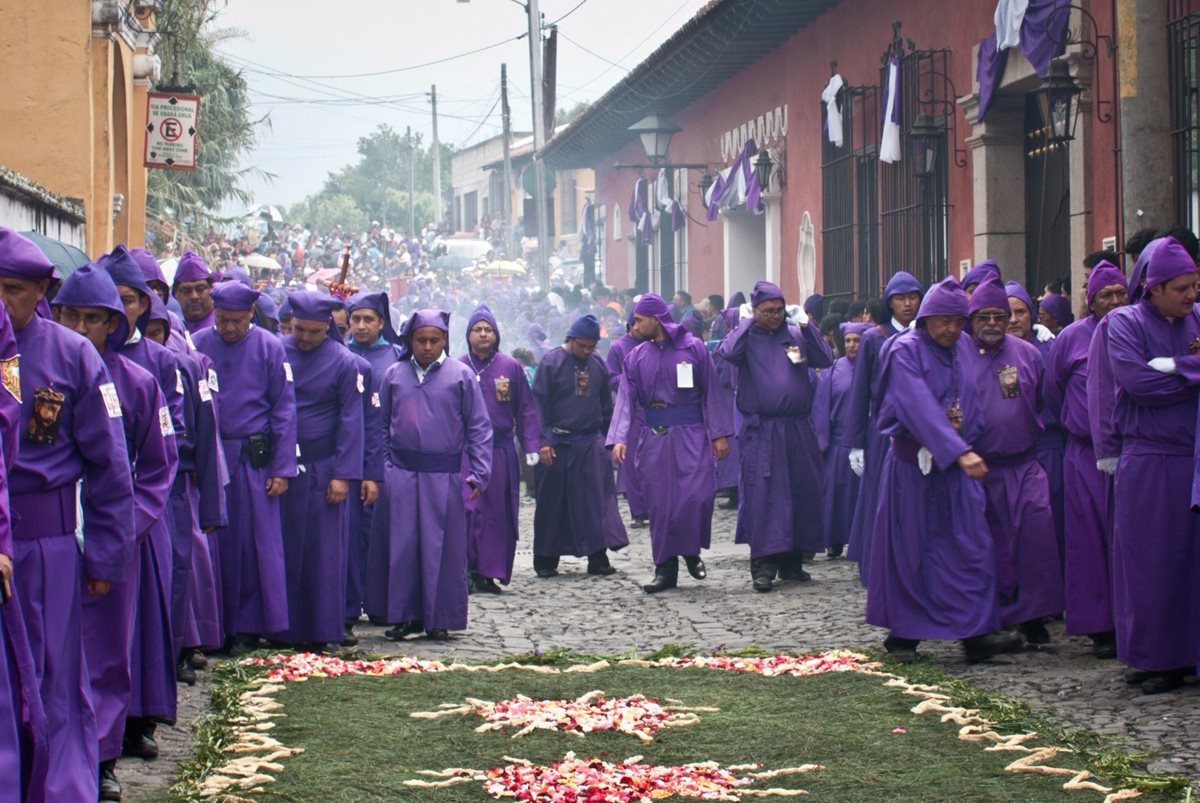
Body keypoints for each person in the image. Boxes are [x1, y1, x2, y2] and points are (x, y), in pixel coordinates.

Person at [0, 228, 135, 800]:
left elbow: (110, 466)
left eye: (11, 288)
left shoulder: (73, 355)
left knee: (54, 678)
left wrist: (104, 553)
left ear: (40, 292)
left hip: (47, 544)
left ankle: (61, 787)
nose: (2, 301)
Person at [52, 264, 177, 799]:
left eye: (95, 319)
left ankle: (102, 757)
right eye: (71, 316)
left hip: (113, 530)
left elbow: (157, 465)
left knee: (106, 650)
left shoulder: (138, 383)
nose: (82, 328)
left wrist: (129, 526)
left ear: (115, 324)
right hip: (52, 529)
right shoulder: (30, 367)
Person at [864, 277, 1022, 663]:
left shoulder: (964, 347)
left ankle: (976, 632)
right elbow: (914, 402)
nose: (951, 329)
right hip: (913, 467)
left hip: (956, 466)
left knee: (972, 546)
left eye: (957, 321)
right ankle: (904, 635)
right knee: (912, 549)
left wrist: (971, 439)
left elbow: (974, 396)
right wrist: (953, 449)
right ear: (925, 319)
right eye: (943, 321)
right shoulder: (903, 350)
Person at [1104, 237, 1200, 694]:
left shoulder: (1196, 318)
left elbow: (1160, 380)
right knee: (1151, 563)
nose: (1190, 296)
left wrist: (1176, 367)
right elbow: (1137, 383)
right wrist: (1193, 376)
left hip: (1193, 459)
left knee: (1191, 565)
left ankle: (1190, 652)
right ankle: (1156, 658)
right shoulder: (1123, 323)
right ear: (1154, 286)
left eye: (1195, 286)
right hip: (1149, 460)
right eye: (1181, 288)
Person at [366, 310, 491, 640]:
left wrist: (479, 472)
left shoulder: (460, 376)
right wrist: (380, 471)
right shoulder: (394, 374)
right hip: (401, 473)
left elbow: (478, 426)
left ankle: (440, 618)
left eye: (434, 340)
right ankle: (405, 615)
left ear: (445, 340)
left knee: (443, 547)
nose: (427, 346)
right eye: (420, 340)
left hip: (444, 475)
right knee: (403, 545)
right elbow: (381, 427)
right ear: (410, 340)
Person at [192, 282, 297, 653]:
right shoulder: (199, 343)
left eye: (236, 321)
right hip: (212, 454)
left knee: (256, 545)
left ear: (251, 315)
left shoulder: (270, 347)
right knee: (215, 544)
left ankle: (250, 626)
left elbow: (284, 408)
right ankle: (213, 626)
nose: (229, 328)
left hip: (254, 459)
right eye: (222, 320)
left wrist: (282, 468)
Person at [961, 274, 1063, 643]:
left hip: (1023, 463)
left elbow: (1040, 401)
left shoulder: (1029, 354)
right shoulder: (956, 354)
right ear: (971, 319)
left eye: (1000, 317)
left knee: (1036, 539)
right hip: (978, 468)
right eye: (984, 316)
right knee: (990, 545)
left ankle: (1033, 615)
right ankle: (994, 616)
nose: (992, 324)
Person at [608, 294, 731, 593]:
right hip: (654, 434)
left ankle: (690, 551)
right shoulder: (635, 357)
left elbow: (712, 391)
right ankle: (665, 568)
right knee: (660, 503)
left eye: (639, 320)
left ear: (656, 319)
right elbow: (625, 399)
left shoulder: (694, 349)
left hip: (690, 432)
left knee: (696, 495)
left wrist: (718, 433)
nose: (634, 327)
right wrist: (619, 438)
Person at [716, 281, 833, 591]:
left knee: (799, 492)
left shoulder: (794, 334)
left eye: (780, 310)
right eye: (768, 311)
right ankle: (763, 565)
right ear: (755, 311)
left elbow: (825, 358)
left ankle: (792, 563)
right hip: (763, 429)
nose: (776, 316)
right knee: (765, 496)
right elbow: (726, 351)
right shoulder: (747, 338)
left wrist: (807, 326)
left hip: (796, 426)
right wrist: (745, 324)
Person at [1045, 261, 1128, 658]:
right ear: (1090, 302)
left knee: (1126, 537)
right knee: (1089, 538)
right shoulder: (1072, 339)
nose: (1113, 302)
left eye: (1119, 293)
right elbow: (1052, 390)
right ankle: (1099, 626)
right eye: (1105, 296)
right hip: (1084, 453)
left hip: (1130, 450)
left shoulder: (1136, 331)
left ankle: (1131, 617)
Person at [274, 291, 365, 649]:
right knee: (285, 546)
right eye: (299, 330)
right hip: (283, 463)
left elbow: (350, 420)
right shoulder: (277, 351)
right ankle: (281, 626)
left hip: (325, 465)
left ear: (327, 326)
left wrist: (343, 474)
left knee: (324, 552)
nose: (305, 338)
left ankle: (322, 628)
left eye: (314, 331)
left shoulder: (343, 361)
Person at [531, 314, 629, 578]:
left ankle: (597, 558)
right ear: (571, 339)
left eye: (591, 346)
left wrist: (612, 439)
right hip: (557, 443)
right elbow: (537, 405)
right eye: (582, 346)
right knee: (553, 503)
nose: (586, 351)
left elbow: (606, 405)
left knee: (593, 502)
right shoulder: (551, 363)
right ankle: (545, 559)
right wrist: (543, 440)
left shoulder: (597, 364)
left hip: (588, 443)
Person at [844, 271, 923, 583]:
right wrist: (855, 442)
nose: (908, 304)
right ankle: (877, 563)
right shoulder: (875, 337)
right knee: (879, 495)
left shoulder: (926, 333)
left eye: (913, 297)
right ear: (890, 302)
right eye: (901, 298)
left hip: (917, 428)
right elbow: (860, 390)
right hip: (882, 429)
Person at [460, 305, 540, 593]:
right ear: (468, 334)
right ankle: (465, 569)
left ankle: (488, 572)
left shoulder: (511, 367)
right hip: (467, 454)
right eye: (477, 329)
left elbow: (527, 409)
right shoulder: (458, 367)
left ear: (496, 334)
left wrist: (532, 443)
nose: (483, 334)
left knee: (496, 514)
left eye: (488, 329)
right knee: (468, 510)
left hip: (501, 450)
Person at [344, 292, 402, 632]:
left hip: (388, 457)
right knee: (348, 535)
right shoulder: (340, 356)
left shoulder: (396, 357)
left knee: (381, 533)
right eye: (357, 319)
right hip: (348, 458)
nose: (362, 326)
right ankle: (349, 602)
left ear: (382, 322)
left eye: (370, 319)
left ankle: (380, 601)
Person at [1005, 280, 1066, 558]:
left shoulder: (1049, 348)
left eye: (1021, 312)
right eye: (1008, 314)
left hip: (1049, 446)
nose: (1014, 320)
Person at [815, 322, 872, 559]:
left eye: (856, 341)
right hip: (839, 441)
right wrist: (821, 441)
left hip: (867, 440)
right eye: (848, 341)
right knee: (836, 494)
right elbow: (821, 407)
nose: (851, 345)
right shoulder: (833, 370)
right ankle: (836, 539)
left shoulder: (873, 367)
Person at [605, 309, 649, 526]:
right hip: (630, 409)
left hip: (651, 409)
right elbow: (611, 377)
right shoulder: (618, 348)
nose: (640, 328)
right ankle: (637, 511)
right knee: (631, 462)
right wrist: (633, 379)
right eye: (636, 324)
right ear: (630, 325)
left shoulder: (653, 344)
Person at [171, 251, 216, 334]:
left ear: (211, 289)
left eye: (200, 289)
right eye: (186, 291)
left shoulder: (224, 328)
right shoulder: (169, 330)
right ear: (175, 294)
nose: (194, 297)